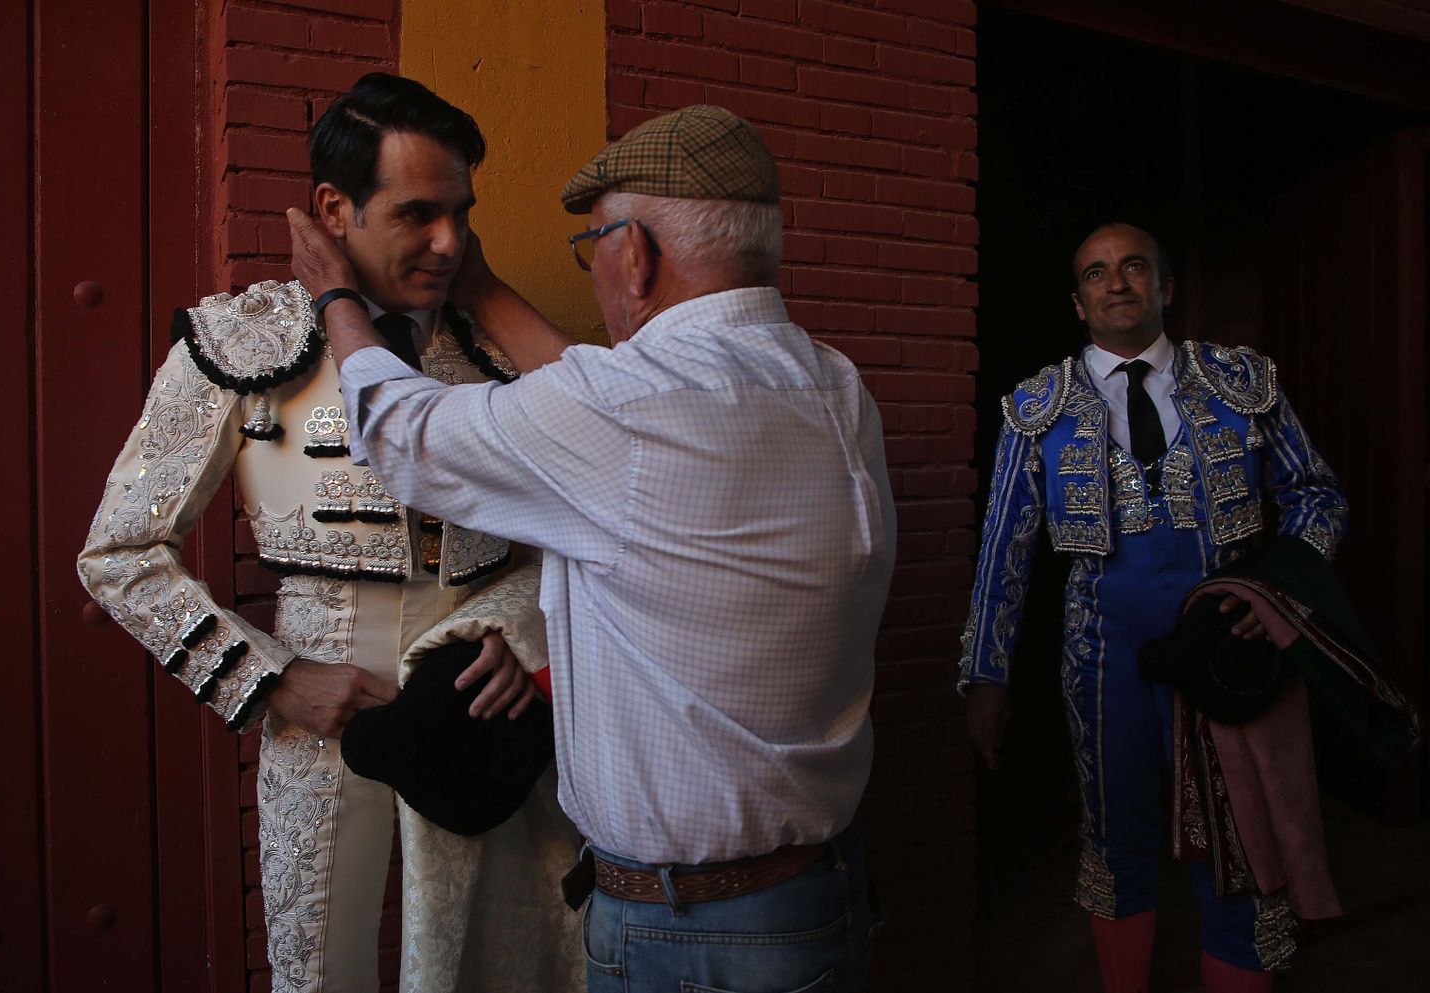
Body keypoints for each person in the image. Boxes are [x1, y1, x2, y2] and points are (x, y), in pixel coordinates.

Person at [284, 104, 895, 993]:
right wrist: (483, 291)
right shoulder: (836, 385)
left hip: (691, 939)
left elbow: (406, 432)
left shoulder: (633, 412)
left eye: (594, 244)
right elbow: (615, 420)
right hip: (815, 892)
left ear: (636, 253)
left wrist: (336, 298)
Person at [78, 73, 582, 993]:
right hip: (317, 714)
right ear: (333, 208)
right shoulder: (241, 340)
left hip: (479, 701)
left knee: (497, 968)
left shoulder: (498, 347)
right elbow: (120, 555)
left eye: (462, 213)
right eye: (418, 213)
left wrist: (521, 632)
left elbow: (577, 529)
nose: (451, 243)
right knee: (322, 974)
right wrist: (273, 678)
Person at [958, 222, 1348, 992]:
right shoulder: (1037, 407)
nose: (1117, 281)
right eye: (1097, 272)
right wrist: (985, 676)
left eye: (1134, 266)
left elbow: (1317, 496)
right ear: (1078, 301)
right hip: (1104, 662)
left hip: (1233, 651)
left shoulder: (1240, 382)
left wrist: (1278, 601)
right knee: (1118, 839)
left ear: (1166, 288)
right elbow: (1004, 550)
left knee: (1240, 841)